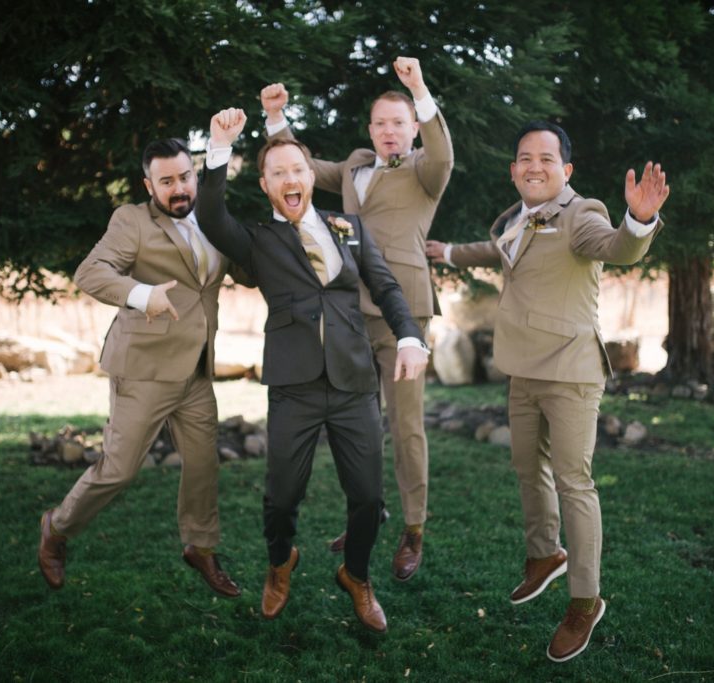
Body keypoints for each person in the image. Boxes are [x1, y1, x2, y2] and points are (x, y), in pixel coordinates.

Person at [425, 121, 669, 662]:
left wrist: (640, 218)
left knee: (573, 481)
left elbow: (618, 248)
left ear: (567, 170)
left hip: (571, 372)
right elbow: (496, 253)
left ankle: (584, 599)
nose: (534, 166)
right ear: (514, 169)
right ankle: (543, 555)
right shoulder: (518, 218)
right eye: (524, 158)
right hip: (524, 369)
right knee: (524, 466)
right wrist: (447, 252)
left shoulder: (582, 213)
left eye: (545, 158)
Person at [195, 107, 429, 633]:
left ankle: (358, 576)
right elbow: (210, 217)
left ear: (309, 176)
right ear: (266, 185)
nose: (290, 179)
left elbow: (387, 288)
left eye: (297, 169)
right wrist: (216, 148)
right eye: (277, 173)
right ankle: (280, 564)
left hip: (354, 384)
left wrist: (410, 335)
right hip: (294, 387)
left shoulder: (349, 228)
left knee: (368, 497)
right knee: (281, 499)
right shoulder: (256, 241)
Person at [261, 56, 453, 581]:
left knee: (405, 424)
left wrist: (418, 87)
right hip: (347, 314)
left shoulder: (425, 170)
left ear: (413, 128)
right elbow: (300, 166)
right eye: (381, 123)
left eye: (400, 122)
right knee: (359, 424)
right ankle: (370, 514)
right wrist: (277, 119)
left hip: (402, 314)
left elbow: (442, 150)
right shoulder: (352, 166)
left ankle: (413, 528)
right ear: (370, 129)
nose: (390, 131)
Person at [38, 138, 248, 598]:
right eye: (166, 181)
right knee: (118, 470)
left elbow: (246, 266)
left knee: (202, 464)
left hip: (195, 370)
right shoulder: (132, 220)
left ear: (196, 176)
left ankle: (200, 547)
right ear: (148, 184)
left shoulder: (213, 219)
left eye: (185, 177)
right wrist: (141, 294)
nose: (178, 189)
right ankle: (57, 527)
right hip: (143, 369)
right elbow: (91, 272)